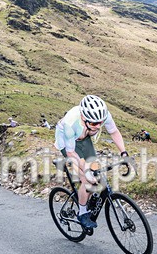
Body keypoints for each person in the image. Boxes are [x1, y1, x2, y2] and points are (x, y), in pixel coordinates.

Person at [54, 95, 128, 229]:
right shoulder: (70, 123)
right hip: (67, 144)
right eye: (94, 124)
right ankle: (82, 213)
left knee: (97, 172)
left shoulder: (103, 115)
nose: (99, 127)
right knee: (87, 179)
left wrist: (124, 152)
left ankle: (90, 195)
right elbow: (71, 153)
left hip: (84, 138)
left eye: (101, 122)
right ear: (83, 117)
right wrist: (85, 170)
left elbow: (114, 132)